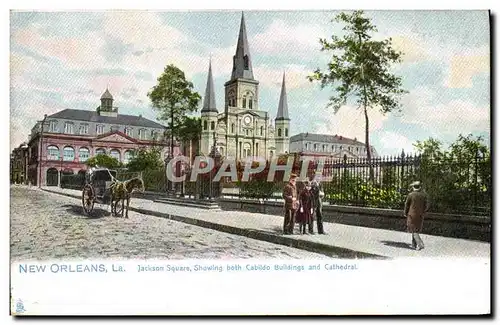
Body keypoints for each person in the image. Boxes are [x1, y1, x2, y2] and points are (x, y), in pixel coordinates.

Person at [404, 181, 430, 250]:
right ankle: (413, 244)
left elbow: (407, 205)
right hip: (420, 215)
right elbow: (427, 205)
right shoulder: (424, 195)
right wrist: (423, 211)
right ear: (420, 187)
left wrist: (405, 213)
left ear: (413, 187)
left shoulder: (410, 195)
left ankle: (420, 244)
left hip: (411, 214)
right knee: (416, 229)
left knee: (413, 229)